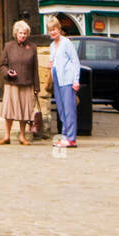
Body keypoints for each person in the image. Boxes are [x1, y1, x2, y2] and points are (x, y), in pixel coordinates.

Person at [0, 19, 39, 145]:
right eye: (20, 33)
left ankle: (22, 136)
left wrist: (36, 87)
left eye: (25, 33)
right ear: (16, 33)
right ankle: (7, 136)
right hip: (12, 84)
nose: (22, 35)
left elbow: (35, 68)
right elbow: (2, 65)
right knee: (9, 111)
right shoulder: (8, 46)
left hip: (27, 84)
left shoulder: (32, 47)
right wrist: (7, 72)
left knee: (24, 112)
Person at [46, 15, 80, 147]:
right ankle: (65, 135)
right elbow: (54, 61)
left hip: (67, 79)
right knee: (61, 109)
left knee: (69, 109)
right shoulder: (51, 45)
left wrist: (76, 80)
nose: (53, 32)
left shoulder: (66, 43)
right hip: (57, 80)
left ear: (59, 29)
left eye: (55, 29)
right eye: (50, 30)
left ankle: (71, 138)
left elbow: (75, 61)